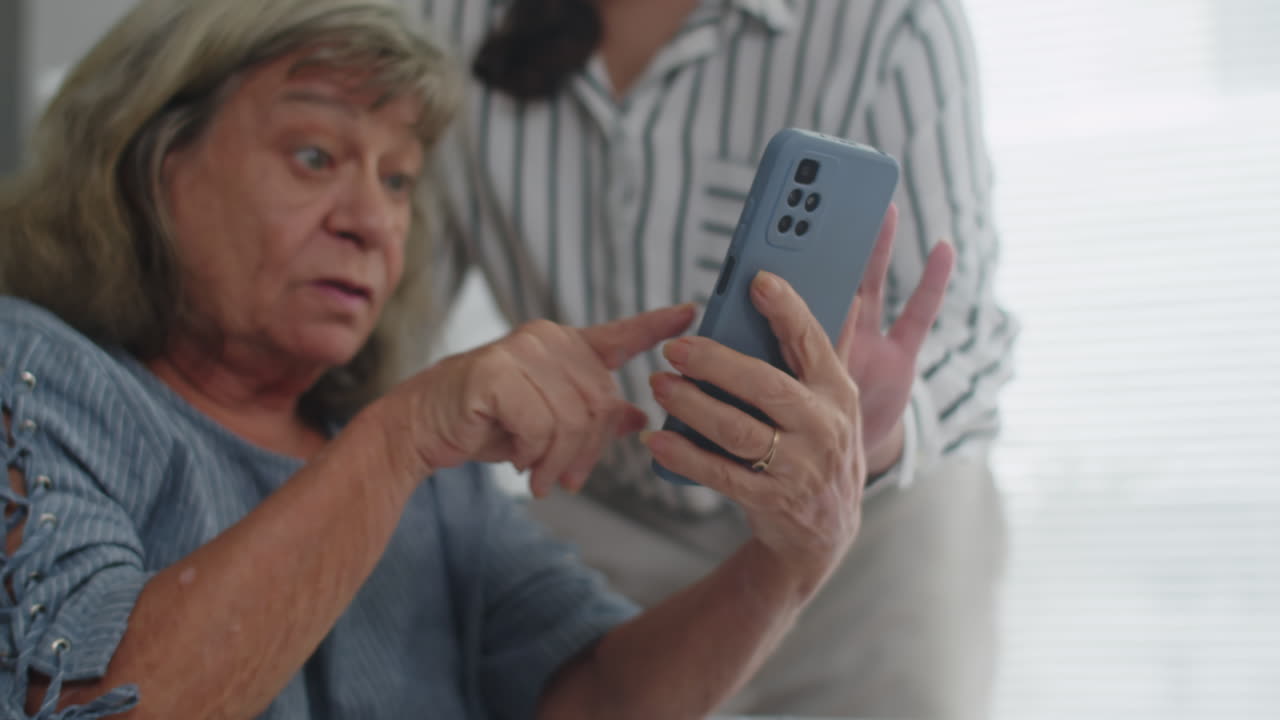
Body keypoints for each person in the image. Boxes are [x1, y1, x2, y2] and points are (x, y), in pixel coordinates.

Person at [0, 1, 923, 718]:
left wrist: (790, 566)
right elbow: (89, 703)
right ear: (152, 162)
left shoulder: (438, 484)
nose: (372, 221)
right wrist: (398, 437)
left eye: (398, 178)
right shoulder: (32, 373)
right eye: (315, 154)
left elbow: (592, 698)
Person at [419, 0, 1017, 717]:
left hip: (867, 544)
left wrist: (873, 432)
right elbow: (385, 293)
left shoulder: (892, 21)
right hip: (605, 527)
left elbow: (968, 332)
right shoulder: (440, 22)